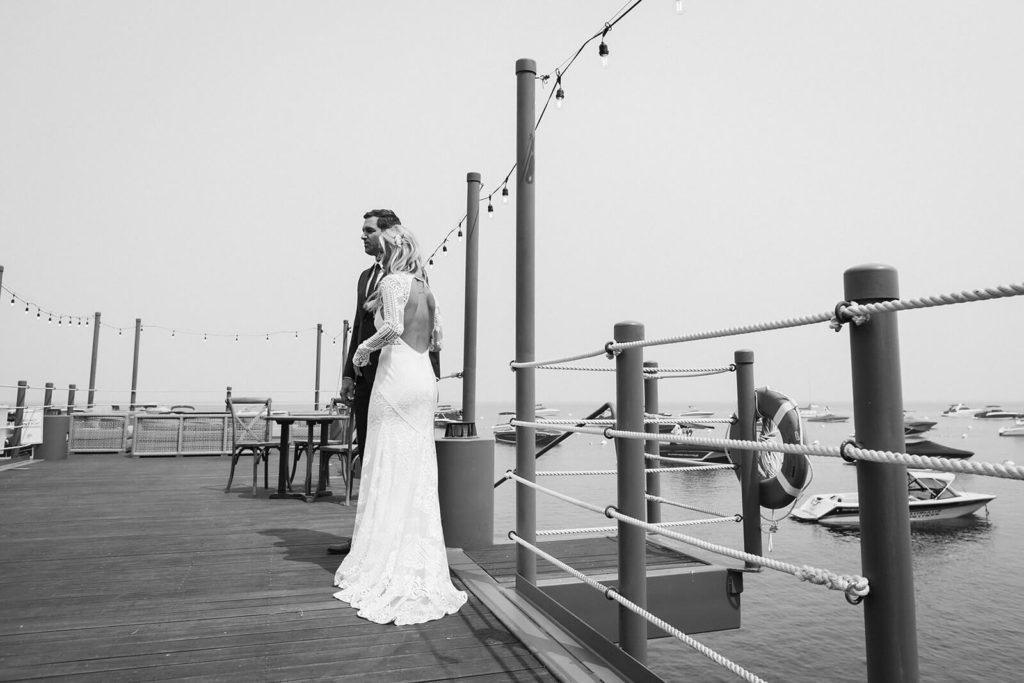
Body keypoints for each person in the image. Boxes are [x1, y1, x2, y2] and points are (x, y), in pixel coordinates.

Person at [332, 223, 467, 625]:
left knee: (386, 462)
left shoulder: (393, 282)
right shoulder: (427, 289)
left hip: (396, 379)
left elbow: (390, 329)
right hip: (423, 377)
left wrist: (361, 350)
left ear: (393, 251)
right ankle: (419, 557)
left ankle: (383, 558)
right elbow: (438, 338)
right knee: (417, 471)